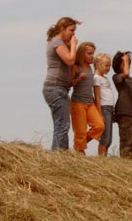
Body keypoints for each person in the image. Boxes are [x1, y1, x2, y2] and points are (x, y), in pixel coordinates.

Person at [42, 17, 80, 150]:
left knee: (59, 125)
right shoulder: (57, 42)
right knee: (63, 125)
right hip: (55, 88)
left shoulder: (59, 42)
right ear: (62, 29)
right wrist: (74, 45)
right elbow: (69, 60)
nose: (73, 34)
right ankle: (61, 156)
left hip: (58, 88)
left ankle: (56, 157)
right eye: (71, 30)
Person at [70, 42, 105, 154]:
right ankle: (80, 151)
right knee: (80, 132)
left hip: (90, 102)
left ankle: (79, 145)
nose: (92, 56)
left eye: (93, 53)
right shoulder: (76, 67)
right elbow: (69, 83)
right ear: (81, 54)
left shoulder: (90, 68)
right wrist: (78, 79)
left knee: (99, 126)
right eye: (89, 53)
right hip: (78, 103)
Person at [112, 51, 132, 160]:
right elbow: (126, 73)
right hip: (124, 112)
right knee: (127, 139)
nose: (127, 65)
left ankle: (131, 160)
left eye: (128, 63)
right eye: (124, 63)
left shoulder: (131, 80)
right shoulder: (117, 77)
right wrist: (125, 59)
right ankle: (125, 161)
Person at [93, 53, 115, 157]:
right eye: (106, 65)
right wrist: (100, 114)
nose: (108, 68)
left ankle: (104, 157)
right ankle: (101, 158)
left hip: (110, 108)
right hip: (104, 108)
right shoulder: (96, 78)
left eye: (109, 65)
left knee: (109, 139)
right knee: (105, 137)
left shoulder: (105, 78)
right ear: (97, 65)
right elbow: (97, 97)